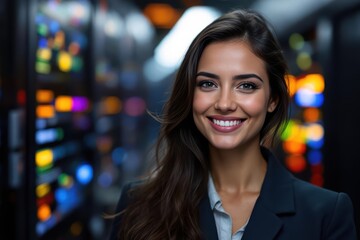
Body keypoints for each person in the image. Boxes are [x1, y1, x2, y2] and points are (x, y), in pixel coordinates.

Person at [108, 9, 358, 240]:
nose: (224, 103)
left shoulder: (326, 215)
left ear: (272, 99)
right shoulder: (138, 204)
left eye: (246, 86)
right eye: (208, 84)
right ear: (189, 94)